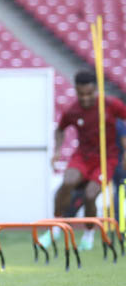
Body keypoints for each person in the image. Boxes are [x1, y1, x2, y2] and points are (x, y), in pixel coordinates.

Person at [41, 71, 126, 251]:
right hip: (82, 156)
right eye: (81, 94)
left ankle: (88, 235)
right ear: (76, 91)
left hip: (106, 158)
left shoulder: (110, 105)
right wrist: (57, 150)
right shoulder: (73, 110)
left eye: (89, 93)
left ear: (95, 89)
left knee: (90, 195)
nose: (85, 98)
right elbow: (60, 129)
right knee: (67, 182)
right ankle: (56, 228)